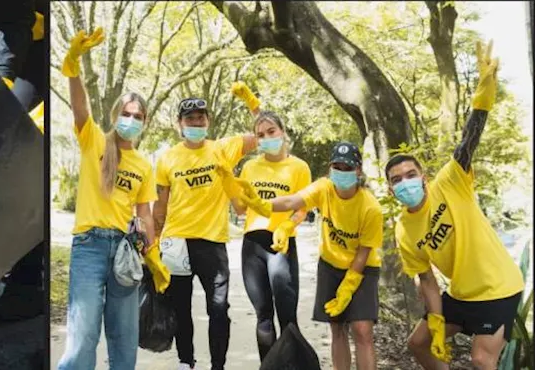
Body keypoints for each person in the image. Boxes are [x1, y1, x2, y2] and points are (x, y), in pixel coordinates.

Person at [387, 42, 524, 370]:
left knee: (481, 359)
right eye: (396, 179)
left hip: (498, 287)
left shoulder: (449, 181)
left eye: (410, 174)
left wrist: (483, 98)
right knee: (418, 343)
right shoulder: (404, 230)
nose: (404, 181)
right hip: (461, 295)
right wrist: (435, 325)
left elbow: (468, 141)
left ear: (423, 176)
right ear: (391, 189)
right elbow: (429, 281)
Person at [55, 27, 166, 370]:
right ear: (116, 114)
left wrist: (154, 255)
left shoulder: (144, 164)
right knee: (84, 334)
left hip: (125, 253)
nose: (131, 120)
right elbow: (79, 109)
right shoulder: (95, 142)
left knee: (123, 335)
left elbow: (145, 215)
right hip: (88, 246)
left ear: (144, 122)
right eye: (126, 113)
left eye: (138, 116)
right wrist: (73, 65)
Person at [243, 141, 384, 370]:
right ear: (330, 169)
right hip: (330, 265)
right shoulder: (324, 188)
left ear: (358, 170)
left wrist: (348, 286)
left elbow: (364, 252)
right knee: (337, 328)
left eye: (347, 168)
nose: (341, 172)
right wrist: (262, 205)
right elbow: (291, 201)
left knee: (362, 330)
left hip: (362, 270)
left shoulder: (370, 208)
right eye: (336, 167)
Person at [153, 95, 258, 370]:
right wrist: (152, 245)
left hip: (212, 243)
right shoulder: (167, 158)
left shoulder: (222, 149)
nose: (196, 122)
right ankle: (185, 362)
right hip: (176, 243)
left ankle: (218, 366)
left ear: (208, 121)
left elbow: (261, 133)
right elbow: (160, 206)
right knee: (180, 309)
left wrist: (253, 103)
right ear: (179, 124)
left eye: (201, 117)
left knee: (219, 309)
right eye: (190, 118)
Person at [232, 102, 313, 361]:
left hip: (282, 244)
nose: (267, 138)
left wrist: (289, 224)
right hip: (253, 245)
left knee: (287, 316)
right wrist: (227, 184)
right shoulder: (250, 167)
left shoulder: (299, 167)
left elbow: (302, 208)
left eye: (271, 131)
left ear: (283, 132)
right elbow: (242, 209)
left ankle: (296, 365)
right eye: (260, 135)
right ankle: (269, 366)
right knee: (263, 317)